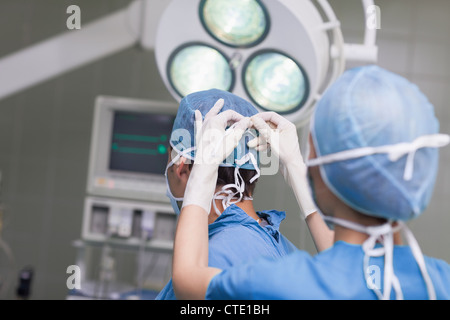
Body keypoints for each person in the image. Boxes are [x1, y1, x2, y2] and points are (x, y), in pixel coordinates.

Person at [171, 65, 450, 300]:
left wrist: (203, 171)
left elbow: (188, 278)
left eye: (313, 152)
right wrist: (299, 175)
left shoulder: (282, 284)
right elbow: (355, 272)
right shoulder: (439, 281)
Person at [156, 88, 314, 300]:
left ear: (181, 168)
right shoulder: (288, 252)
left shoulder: (210, 261)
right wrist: (295, 165)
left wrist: (203, 172)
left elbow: (187, 281)